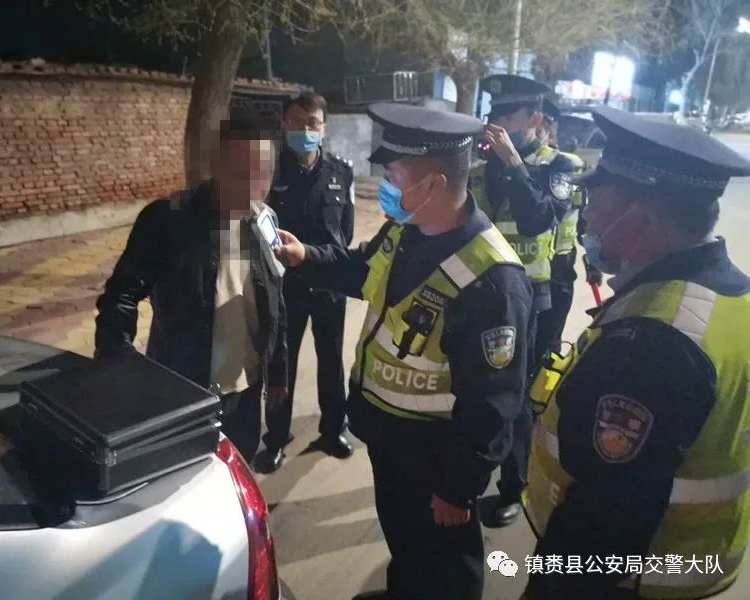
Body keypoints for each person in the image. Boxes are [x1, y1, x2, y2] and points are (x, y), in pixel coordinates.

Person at [275, 103, 532, 600]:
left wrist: (459, 487)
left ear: (434, 184)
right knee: (408, 544)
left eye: (393, 176)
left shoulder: (492, 280)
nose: (386, 186)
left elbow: (495, 402)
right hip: (391, 439)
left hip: (437, 456)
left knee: (446, 565)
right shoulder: (405, 228)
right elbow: (361, 270)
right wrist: (306, 256)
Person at [523, 106, 750, 599]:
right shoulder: (733, 295)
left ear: (644, 217)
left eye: (598, 206)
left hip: (635, 578)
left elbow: (604, 520)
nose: (588, 219)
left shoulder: (655, 342)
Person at [94, 104, 288, 462]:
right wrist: (117, 363)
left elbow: (275, 302)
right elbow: (121, 295)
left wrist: (278, 373)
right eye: (241, 173)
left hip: (245, 394)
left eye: (263, 174)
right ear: (217, 164)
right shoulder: (168, 220)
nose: (253, 188)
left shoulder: (265, 220)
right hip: (184, 393)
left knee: (236, 473)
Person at [469, 74, 575, 527]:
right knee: (480, 387)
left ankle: (516, 486)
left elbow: (537, 221)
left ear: (534, 118)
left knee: (519, 395)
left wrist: (514, 164)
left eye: (507, 115)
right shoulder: (481, 167)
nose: (498, 123)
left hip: (534, 299)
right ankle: (473, 469)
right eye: (493, 114)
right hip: (480, 292)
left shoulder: (558, 167)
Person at [254, 92, 355, 473]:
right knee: (282, 365)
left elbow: (345, 231)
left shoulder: (341, 172)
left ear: (323, 127)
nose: (305, 130)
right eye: (297, 123)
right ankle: (277, 439)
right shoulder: (270, 171)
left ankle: (333, 430)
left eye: (312, 123)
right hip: (286, 288)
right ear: (284, 125)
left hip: (329, 285)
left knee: (331, 361)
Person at [534, 99, 590, 360]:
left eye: (544, 127)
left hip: (560, 268)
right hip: (531, 268)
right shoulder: (524, 167)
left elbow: (584, 215)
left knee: (548, 345)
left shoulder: (570, 166)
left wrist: (593, 263)